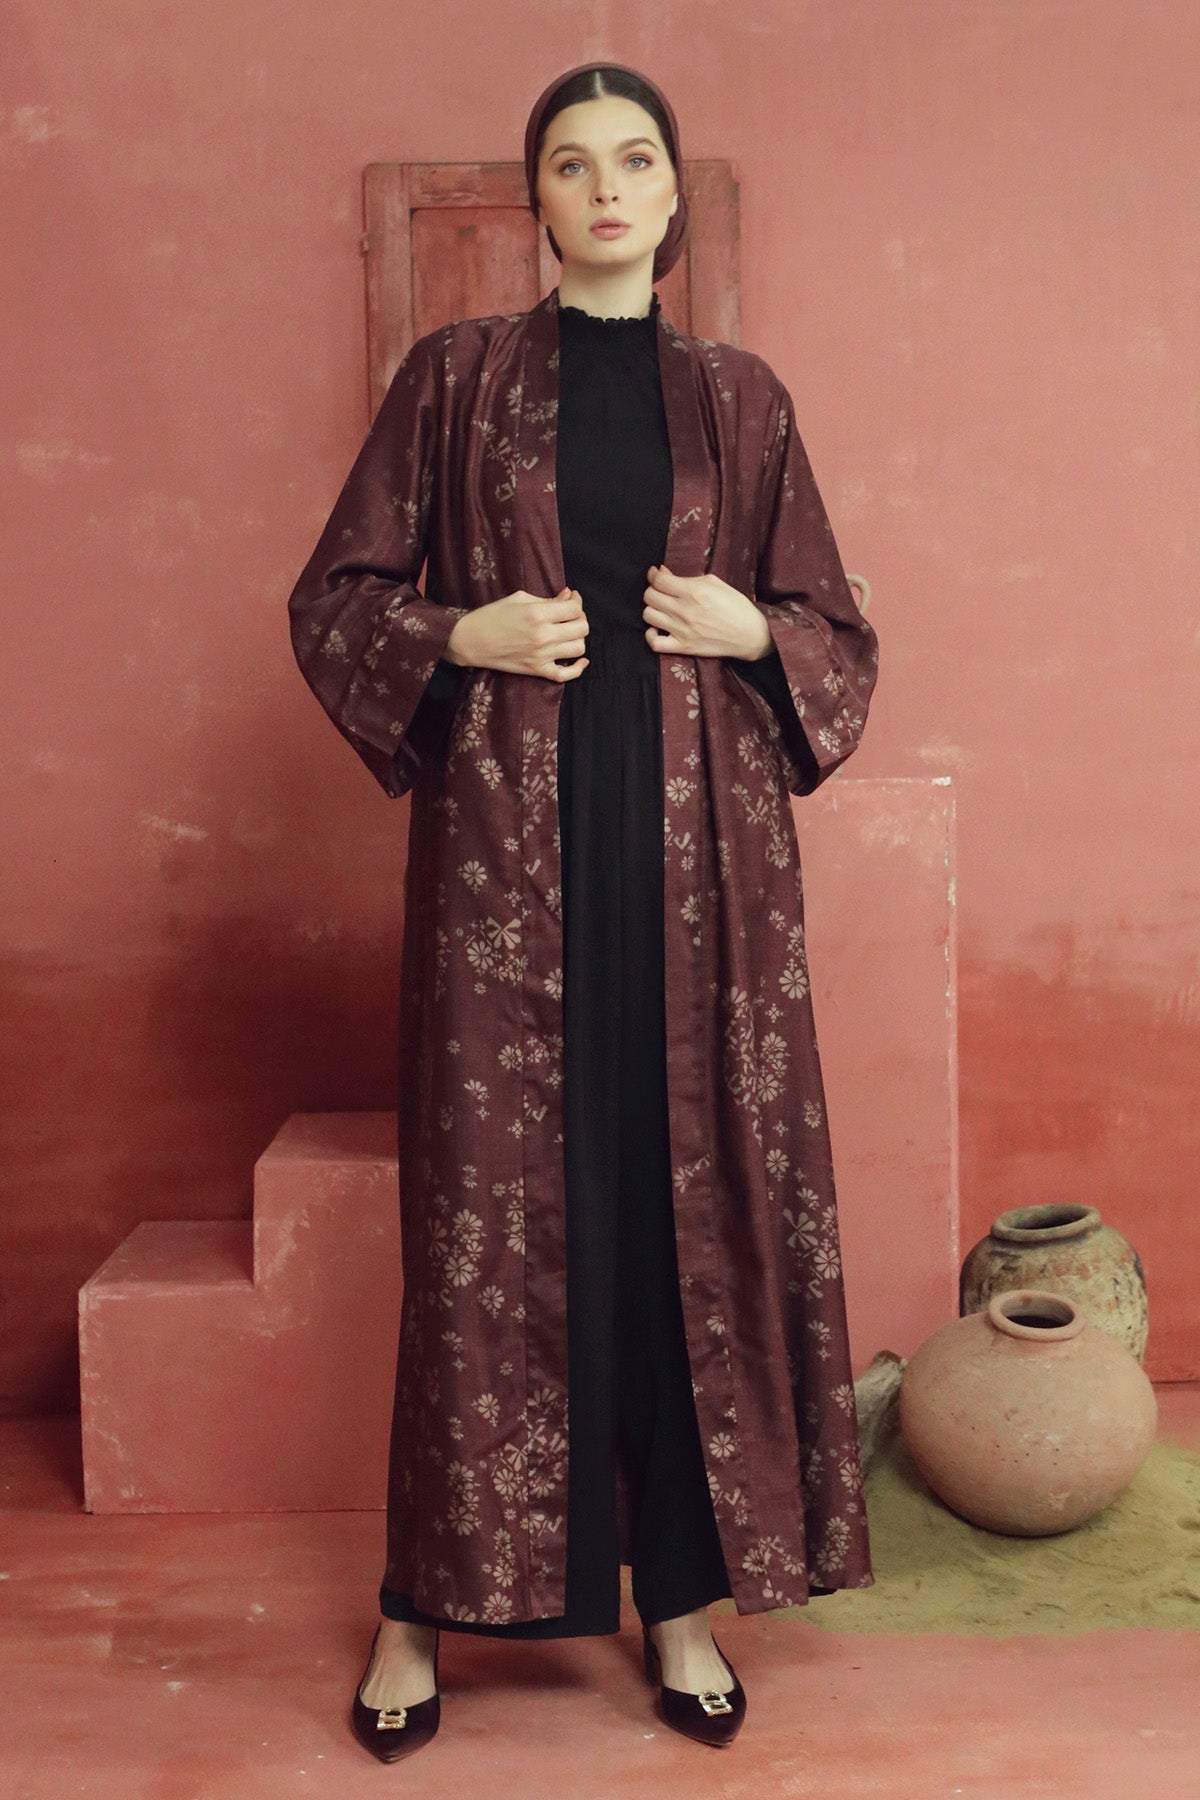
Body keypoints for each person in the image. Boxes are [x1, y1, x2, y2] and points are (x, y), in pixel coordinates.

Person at [287, 61, 878, 1763]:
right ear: (535, 198)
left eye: (634, 160)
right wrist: (456, 635)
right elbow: (335, 597)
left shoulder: (742, 401)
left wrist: (754, 631)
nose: (606, 187)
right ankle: (420, 1606)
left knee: (676, 1212)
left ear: (672, 194)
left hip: (703, 878)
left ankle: (678, 1597)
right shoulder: (457, 378)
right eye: (571, 162)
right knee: (490, 1229)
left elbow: (836, 632)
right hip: (508, 869)